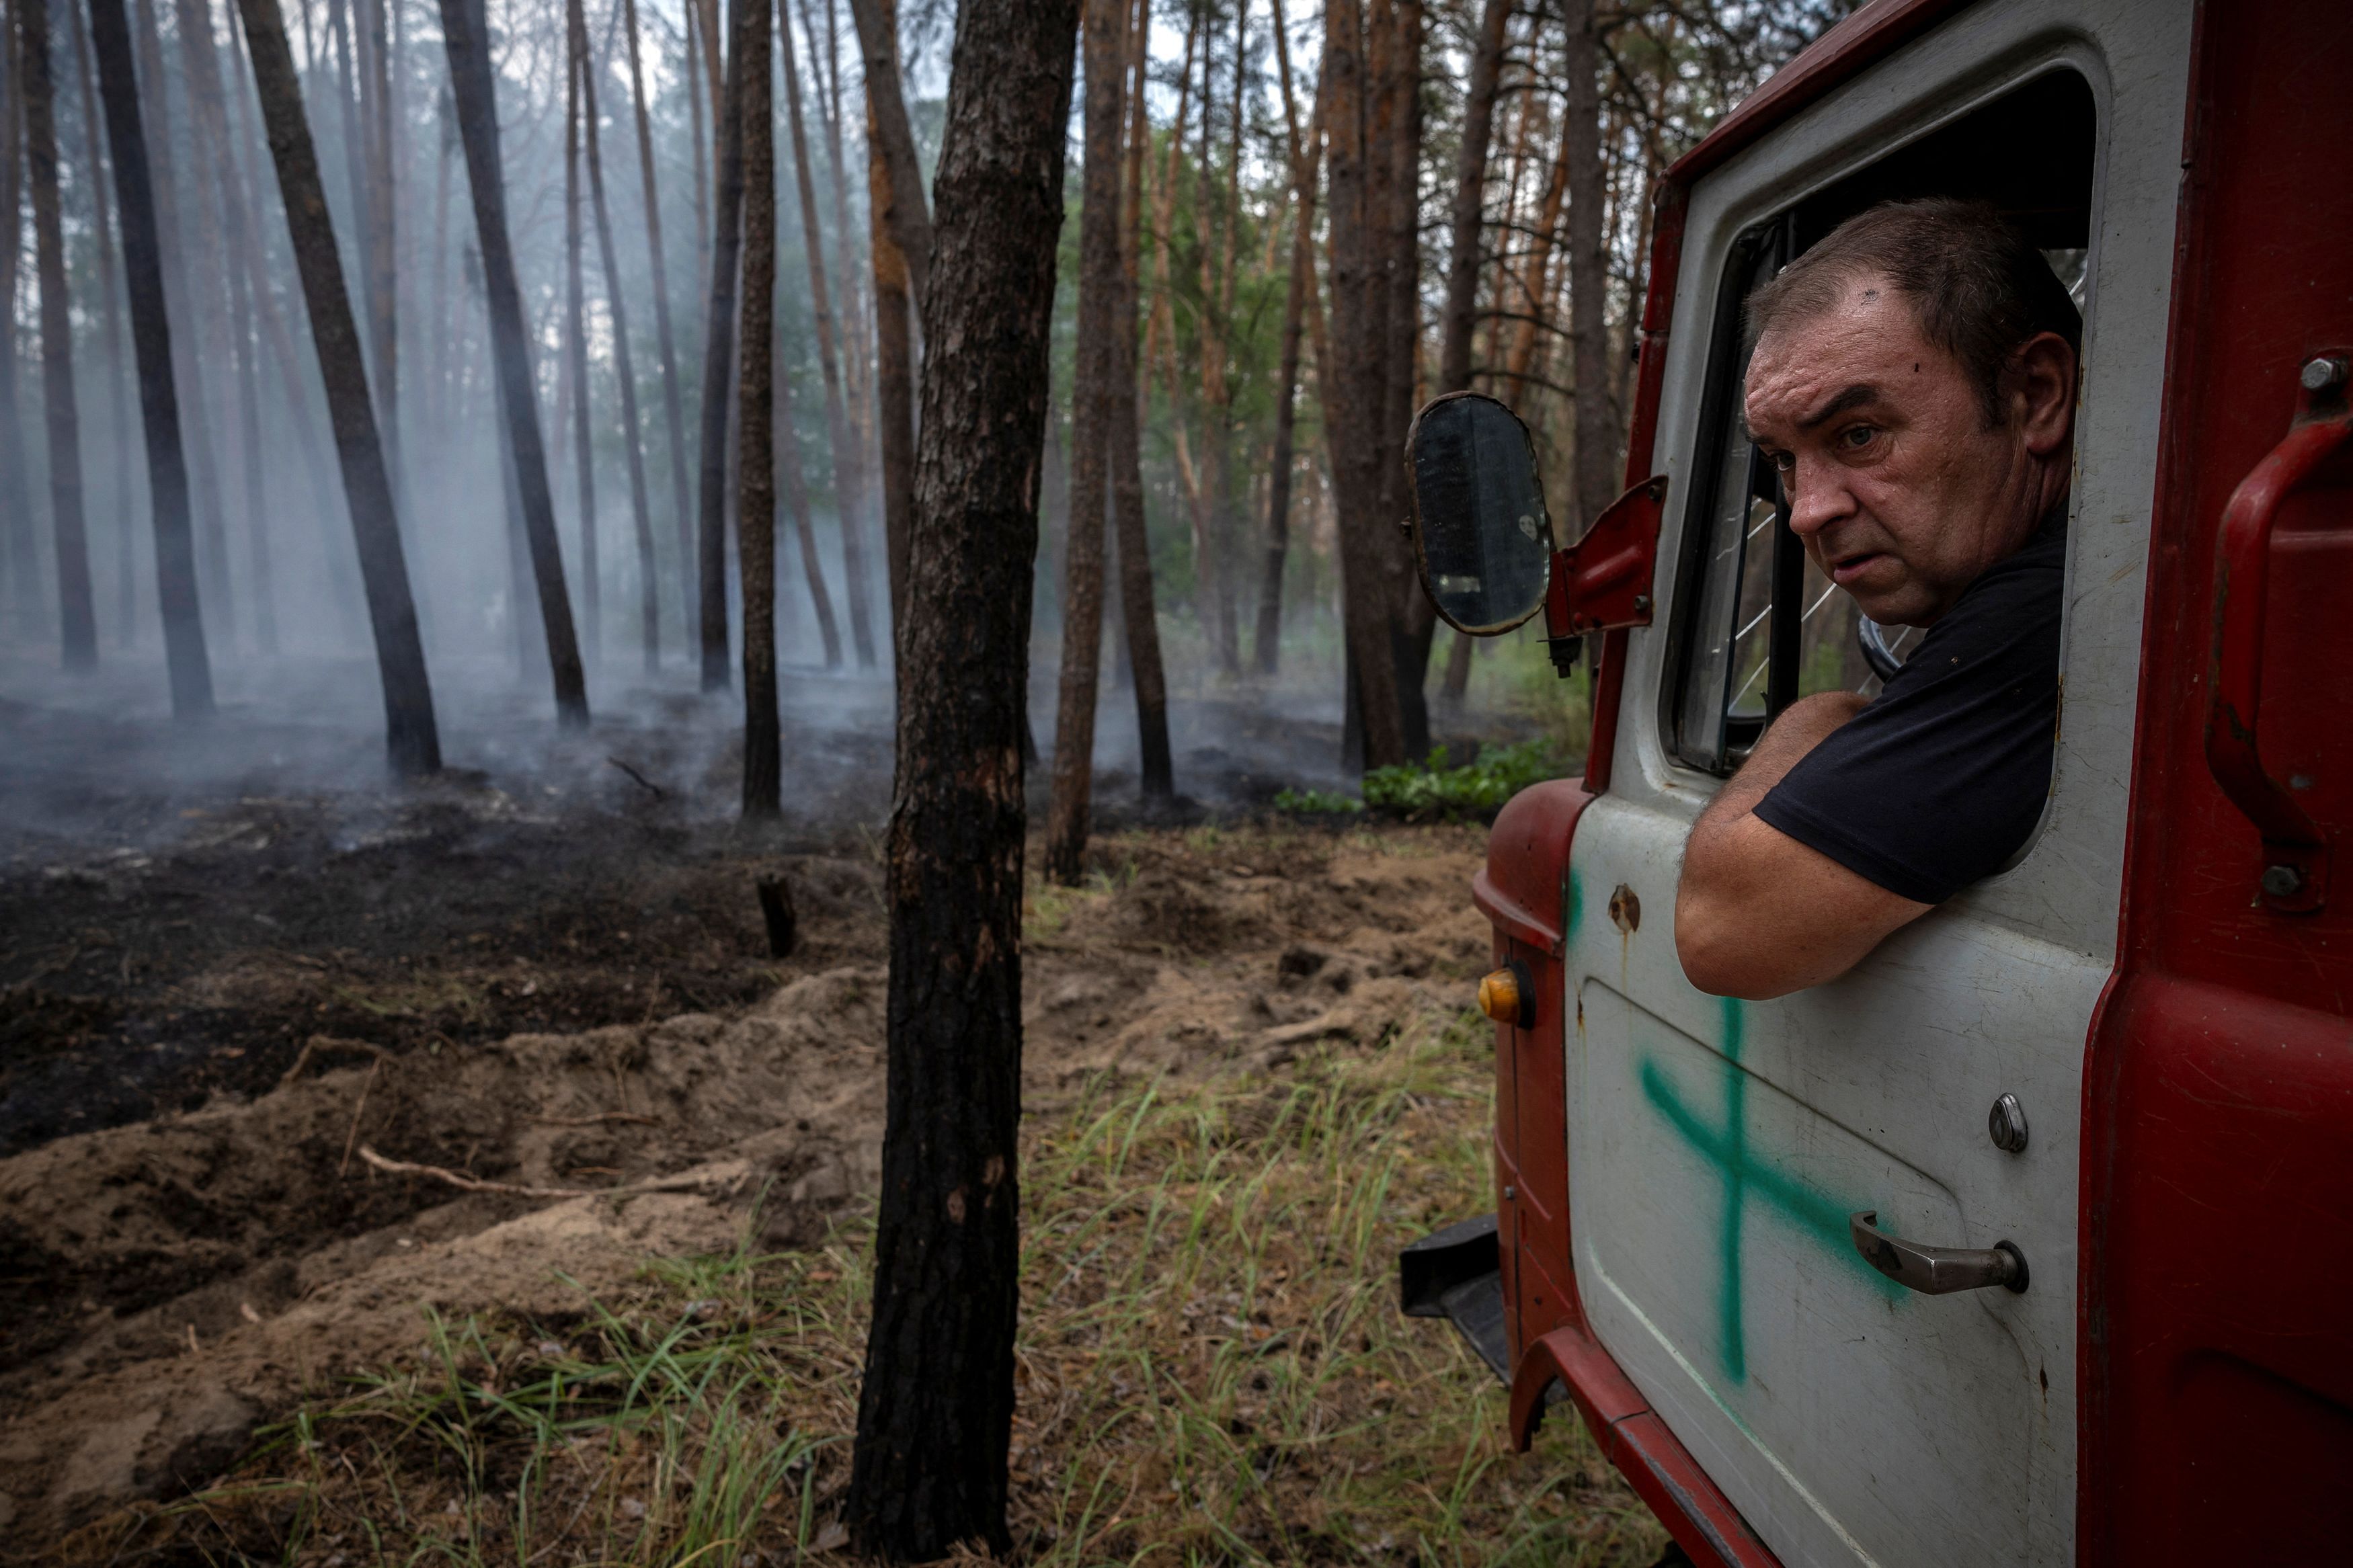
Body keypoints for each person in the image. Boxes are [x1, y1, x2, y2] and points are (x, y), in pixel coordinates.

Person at [1674, 198, 2081, 1000]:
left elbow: (1724, 931)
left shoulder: (2057, 612)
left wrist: (1817, 717)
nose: (1804, 510)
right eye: (1784, 461)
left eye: (1857, 434)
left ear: (2035, 395)